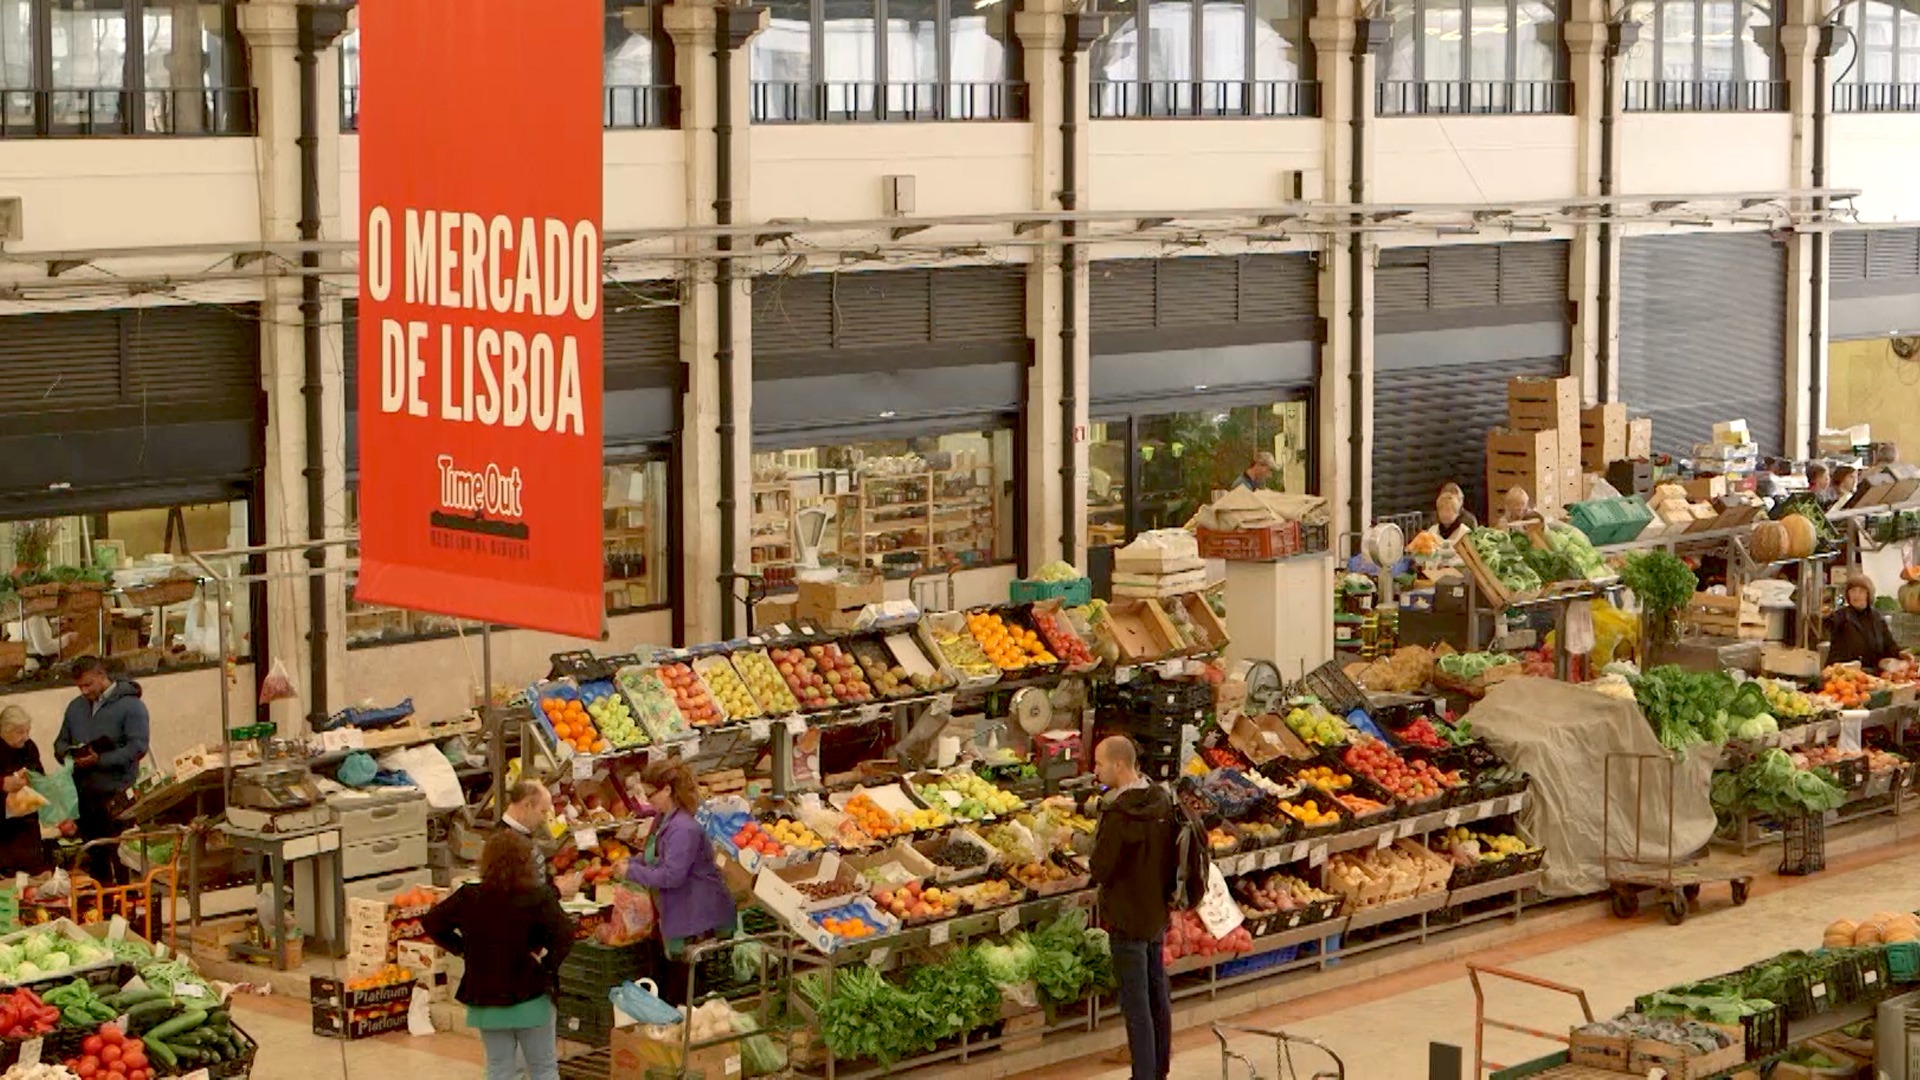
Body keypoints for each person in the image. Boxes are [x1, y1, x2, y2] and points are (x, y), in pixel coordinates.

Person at [422, 830, 572, 1080]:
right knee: (543, 1068)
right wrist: (546, 964)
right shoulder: (538, 897)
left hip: (486, 998)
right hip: (531, 994)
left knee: (499, 1069)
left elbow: (431, 922)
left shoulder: (468, 896)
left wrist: (461, 948)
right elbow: (565, 935)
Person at [1089, 736, 1177, 1080]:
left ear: (1119, 765)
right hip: (1155, 914)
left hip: (1126, 919)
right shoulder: (1161, 801)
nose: (1095, 770)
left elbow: (1100, 869)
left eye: (1098, 764)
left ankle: (1142, 1075)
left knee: (1136, 1004)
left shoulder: (1119, 814)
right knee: (1158, 996)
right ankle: (1159, 1071)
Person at [621, 758, 736, 1005]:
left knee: (686, 993)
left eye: (651, 794)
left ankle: (690, 1038)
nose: (647, 800)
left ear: (667, 790)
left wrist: (631, 872)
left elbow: (672, 876)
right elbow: (656, 856)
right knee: (673, 987)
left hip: (693, 919)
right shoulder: (663, 819)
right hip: (675, 914)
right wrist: (632, 863)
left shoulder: (684, 828)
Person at [53, 657, 148, 881]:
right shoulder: (75, 707)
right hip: (85, 797)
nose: (84, 691)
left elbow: (138, 747)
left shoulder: (132, 707)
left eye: (88, 685)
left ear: (102, 676)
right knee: (95, 859)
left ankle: (127, 905)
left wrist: (100, 759)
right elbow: (60, 742)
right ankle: (101, 906)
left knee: (122, 857)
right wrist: (68, 755)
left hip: (117, 796)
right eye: (79, 687)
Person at [501, 780, 582, 898]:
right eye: (543, 812)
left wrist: (551, 882)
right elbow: (518, 897)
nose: (544, 819)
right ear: (527, 805)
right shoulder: (504, 841)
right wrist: (557, 890)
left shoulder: (521, 835)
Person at [0, 707, 47, 875]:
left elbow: (39, 772)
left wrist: (32, 777)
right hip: (3, 827)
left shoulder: (29, 746)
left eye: (28, 731)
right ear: (5, 730)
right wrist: (3, 783)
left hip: (26, 822)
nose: (26, 736)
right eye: (20, 732)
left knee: (31, 873)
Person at [1828, 574, 1902, 671]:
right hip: (1843, 675)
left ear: (1868, 595)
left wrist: (1901, 654)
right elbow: (1828, 624)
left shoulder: (1877, 618)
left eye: (1861, 591)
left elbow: (1889, 645)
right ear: (1848, 594)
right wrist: (1825, 616)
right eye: (1853, 591)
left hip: (1872, 675)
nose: (1856, 595)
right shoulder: (1841, 616)